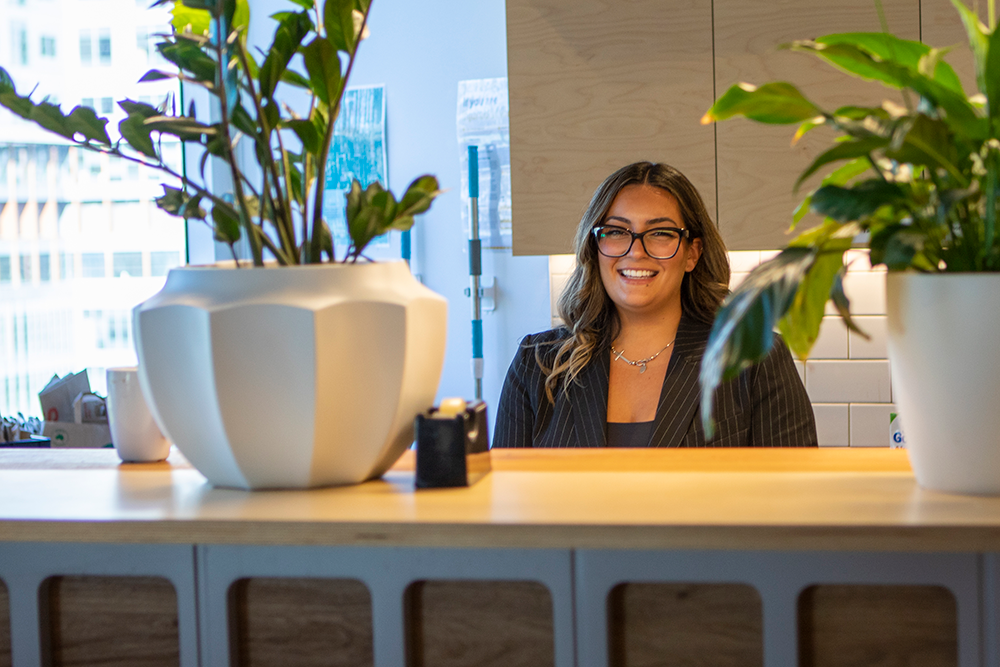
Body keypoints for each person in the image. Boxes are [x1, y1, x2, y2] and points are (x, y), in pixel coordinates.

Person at [494, 162, 817, 448]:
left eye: (660, 233)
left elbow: (794, 498)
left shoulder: (753, 357)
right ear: (595, 247)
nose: (636, 251)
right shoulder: (537, 364)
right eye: (617, 231)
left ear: (692, 253)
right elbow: (507, 499)